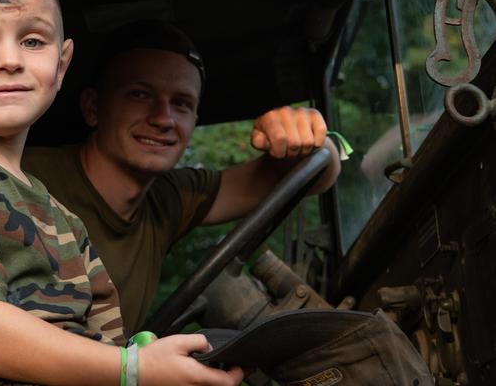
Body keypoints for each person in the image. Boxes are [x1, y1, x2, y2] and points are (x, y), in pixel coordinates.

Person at [0, 0, 244, 385]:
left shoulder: (58, 213)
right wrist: (133, 370)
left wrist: (143, 357)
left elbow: (105, 344)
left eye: (32, 41)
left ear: (60, 67)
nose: (10, 60)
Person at [23, 20, 342, 334]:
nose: (164, 118)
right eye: (139, 94)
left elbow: (310, 177)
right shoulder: (21, 178)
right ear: (93, 107)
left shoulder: (168, 200)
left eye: (182, 104)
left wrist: (312, 137)